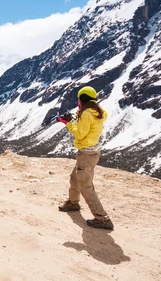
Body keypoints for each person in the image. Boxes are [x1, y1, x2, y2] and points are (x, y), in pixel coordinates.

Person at [57, 86, 114, 230]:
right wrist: (75, 119)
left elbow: (80, 134)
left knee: (86, 186)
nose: (77, 102)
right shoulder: (96, 112)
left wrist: (68, 123)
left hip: (86, 154)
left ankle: (102, 218)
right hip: (92, 153)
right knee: (75, 177)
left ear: (82, 99)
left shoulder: (87, 114)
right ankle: (73, 202)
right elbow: (87, 127)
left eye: (79, 99)